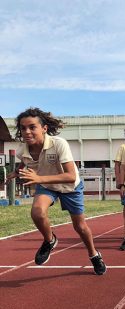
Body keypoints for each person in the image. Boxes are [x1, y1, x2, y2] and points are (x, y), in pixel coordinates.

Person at [6, 107, 106, 275]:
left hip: (70, 187)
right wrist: (17, 172)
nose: (27, 132)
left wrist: (39, 179)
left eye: (32, 127)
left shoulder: (58, 144)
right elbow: (26, 162)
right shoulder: (22, 150)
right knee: (37, 212)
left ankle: (94, 254)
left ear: (44, 128)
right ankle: (49, 240)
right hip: (47, 186)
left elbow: (70, 176)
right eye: (23, 128)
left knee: (80, 227)